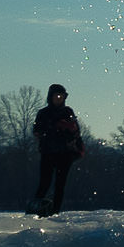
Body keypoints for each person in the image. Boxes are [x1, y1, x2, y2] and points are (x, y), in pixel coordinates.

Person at [29, 85, 84, 214]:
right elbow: (37, 131)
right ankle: (36, 210)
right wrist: (53, 129)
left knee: (60, 185)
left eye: (62, 96)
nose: (59, 99)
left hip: (65, 154)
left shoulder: (68, 112)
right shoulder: (43, 113)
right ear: (51, 97)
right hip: (48, 152)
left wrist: (68, 131)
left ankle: (55, 211)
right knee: (44, 183)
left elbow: (76, 132)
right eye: (57, 96)